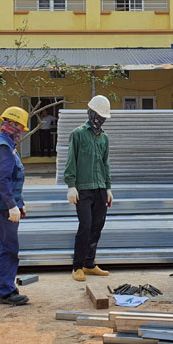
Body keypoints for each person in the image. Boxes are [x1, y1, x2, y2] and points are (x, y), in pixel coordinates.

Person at [0, 106, 30, 306]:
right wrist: (12, 206)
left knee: (0, 245)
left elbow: (11, 180)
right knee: (9, 248)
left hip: (1, 205)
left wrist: (19, 204)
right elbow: (3, 180)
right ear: (12, 125)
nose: (22, 131)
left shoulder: (6, 144)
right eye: (20, 126)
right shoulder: (3, 147)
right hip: (3, 207)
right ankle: (6, 291)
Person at [64, 95, 113, 282]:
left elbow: (105, 164)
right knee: (85, 227)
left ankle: (89, 264)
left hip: (100, 188)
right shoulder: (77, 134)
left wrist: (108, 188)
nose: (100, 119)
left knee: (97, 227)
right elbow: (71, 162)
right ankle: (77, 266)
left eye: (103, 117)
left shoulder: (104, 138)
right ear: (90, 112)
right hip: (83, 189)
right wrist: (71, 186)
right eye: (98, 115)